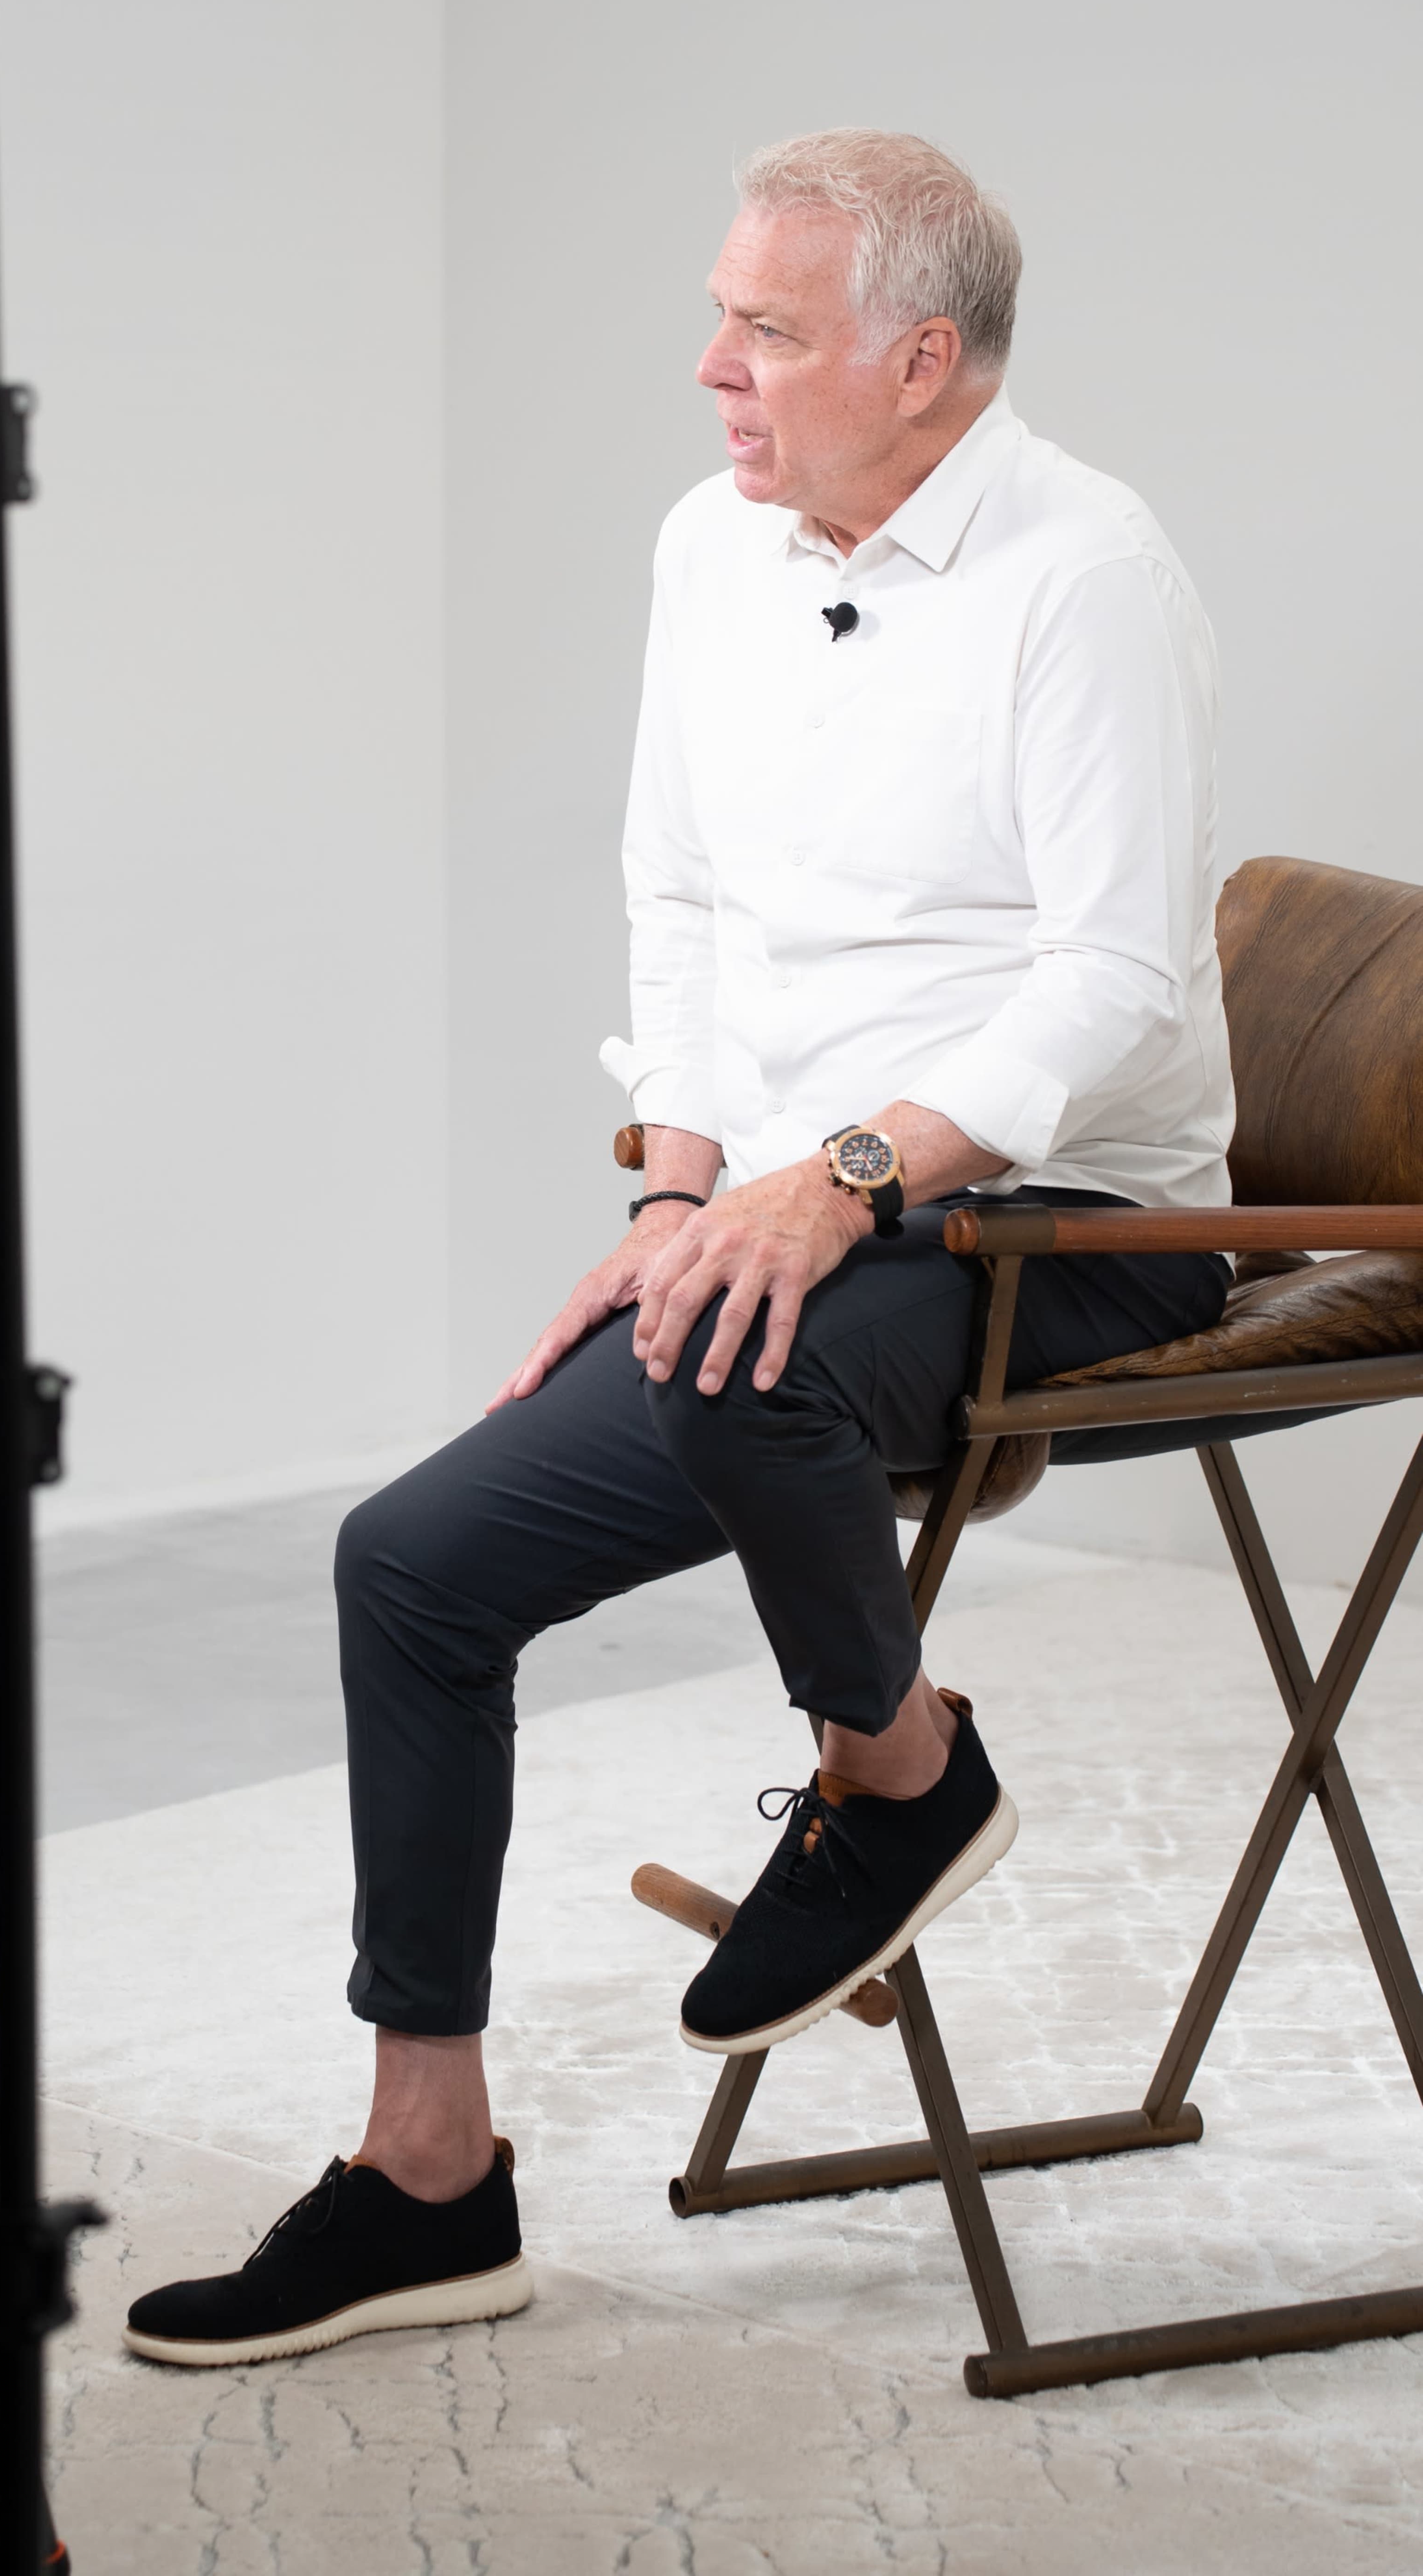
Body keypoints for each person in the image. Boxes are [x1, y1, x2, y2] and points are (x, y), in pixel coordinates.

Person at [125, 128, 1234, 2369]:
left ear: (921, 362)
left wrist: (829, 1177)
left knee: (752, 1349)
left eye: (767, 328)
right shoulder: (711, 549)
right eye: (722, 312)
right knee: (410, 1566)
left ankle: (903, 1776)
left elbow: (1111, 978)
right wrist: (675, 1193)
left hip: (1068, 1220)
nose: (710, 365)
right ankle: (428, 2172)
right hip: (790, 1230)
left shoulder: (1085, 569)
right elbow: (691, 905)